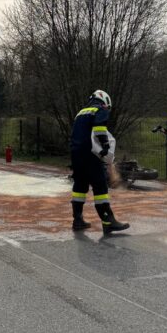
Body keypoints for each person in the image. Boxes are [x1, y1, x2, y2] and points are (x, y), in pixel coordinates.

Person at [69, 90, 129, 235]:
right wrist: (105, 146)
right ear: (105, 102)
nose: (107, 110)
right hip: (90, 154)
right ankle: (108, 221)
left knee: (79, 186)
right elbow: (99, 128)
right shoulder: (99, 109)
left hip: (76, 154)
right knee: (100, 186)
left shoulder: (80, 113)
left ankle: (77, 220)